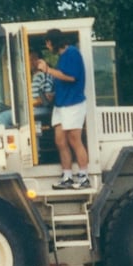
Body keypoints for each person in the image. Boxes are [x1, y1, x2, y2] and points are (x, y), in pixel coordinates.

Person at [40, 32, 89, 190]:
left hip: (73, 104)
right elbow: (64, 79)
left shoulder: (72, 53)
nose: (47, 47)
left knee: (75, 139)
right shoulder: (63, 56)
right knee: (60, 141)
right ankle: (67, 177)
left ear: (54, 41)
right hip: (61, 104)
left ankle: (84, 177)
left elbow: (71, 77)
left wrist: (48, 69)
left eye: (48, 43)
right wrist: (53, 94)